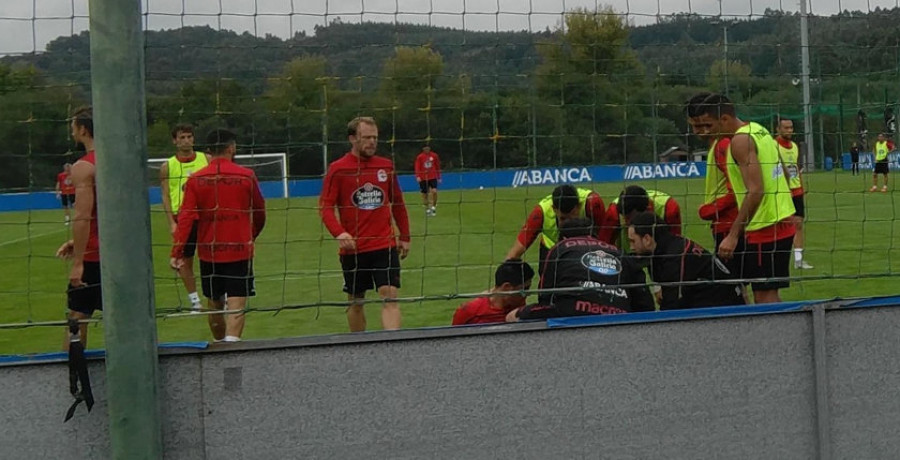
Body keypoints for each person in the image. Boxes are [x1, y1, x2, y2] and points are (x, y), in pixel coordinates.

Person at [685, 92, 796, 304]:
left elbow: (755, 190)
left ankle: (773, 337)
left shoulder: (740, 141)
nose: (703, 132)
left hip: (764, 227)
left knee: (764, 297)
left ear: (724, 119)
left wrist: (733, 235)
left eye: (708, 125)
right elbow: (785, 172)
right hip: (782, 220)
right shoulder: (758, 130)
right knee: (769, 292)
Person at [170, 129, 266, 343]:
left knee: (214, 302)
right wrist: (250, 235)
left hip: (209, 252)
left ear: (209, 151)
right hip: (239, 250)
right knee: (236, 303)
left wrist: (177, 251)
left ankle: (220, 346)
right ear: (232, 148)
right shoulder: (246, 175)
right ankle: (231, 346)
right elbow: (260, 212)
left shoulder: (196, 179)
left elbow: (186, 219)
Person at [319, 117, 411, 332]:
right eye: (366, 137)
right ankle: (358, 345)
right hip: (353, 248)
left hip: (384, 245)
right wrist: (339, 232)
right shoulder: (338, 169)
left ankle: (392, 344)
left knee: (390, 295)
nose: (372, 142)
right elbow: (325, 207)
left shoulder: (385, 166)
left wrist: (405, 236)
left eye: (375, 138)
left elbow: (397, 203)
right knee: (356, 300)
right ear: (352, 139)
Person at [506, 218, 654, 321]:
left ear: (563, 237)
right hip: (618, 315)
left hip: (570, 311)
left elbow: (546, 296)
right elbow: (646, 305)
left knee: (512, 317)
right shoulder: (619, 253)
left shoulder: (559, 248)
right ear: (592, 235)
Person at [628, 211, 744, 310]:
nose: (631, 247)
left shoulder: (674, 259)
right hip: (720, 301)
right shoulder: (669, 246)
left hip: (724, 309)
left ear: (647, 239)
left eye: (633, 241)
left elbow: (671, 310)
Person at [55, 106, 100, 350]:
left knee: (77, 317)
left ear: (83, 130)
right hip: (125, 253)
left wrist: (79, 261)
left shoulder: (83, 167)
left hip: (96, 255)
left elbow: (83, 216)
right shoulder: (120, 161)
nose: (72, 132)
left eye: (73, 127)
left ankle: (69, 378)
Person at [160, 123, 209, 311]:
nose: (186, 140)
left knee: (212, 255)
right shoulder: (168, 167)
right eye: (182, 137)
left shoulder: (206, 159)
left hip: (204, 216)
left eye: (189, 136)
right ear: (175, 141)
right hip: (182, 218)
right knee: (183, 260)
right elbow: (165, 195)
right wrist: (171, 222)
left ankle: (221, 295)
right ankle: (195, 300)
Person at [506, 184, 606, 275]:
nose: (568, 223)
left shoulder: (593, 203)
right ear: (554, 209)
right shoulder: (540, 213)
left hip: (585, 249)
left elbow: (604, 240)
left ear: (579, 206)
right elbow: (514, 254)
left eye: (572, 218)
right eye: (563, 218)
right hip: (552, 251)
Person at [774, 117, 813, 270]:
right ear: (778, 129)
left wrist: (801, 187)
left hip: (796, 191)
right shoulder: (773, 146)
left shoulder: (795, 146)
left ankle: (798, 260)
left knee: (798, 224)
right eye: (786, 128)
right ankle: (778, 258)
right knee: (781, 226)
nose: (789, 130)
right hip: (782, 192)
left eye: (791, 128)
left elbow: (796, 168)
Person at [598, 185, 681, 250]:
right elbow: (603, 246)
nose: (627, 221)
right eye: (624, 217)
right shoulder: (613, 213)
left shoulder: (669, 208)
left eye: (630, 217)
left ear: (645, 210)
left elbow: (674, 247)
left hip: (659, 251)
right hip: (626, 257)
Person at [451, 259, 534, 325]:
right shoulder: (469, 311)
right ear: (507, 287)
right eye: (525, 289)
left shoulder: (518, 306)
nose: (527, 294)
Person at [414, 145, 441, 216]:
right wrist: (418, 176)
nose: (426, 149)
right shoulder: (420, 157)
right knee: (424, 194)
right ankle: (427, 209)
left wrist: (439, 177)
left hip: (432, 177)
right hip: (423, 177)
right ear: (423, 149)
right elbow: (417, 167)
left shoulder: (434, 156)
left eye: (428, 148)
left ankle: (433, 207)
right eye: (425, 148)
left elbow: (437, 166)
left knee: (434, 191)